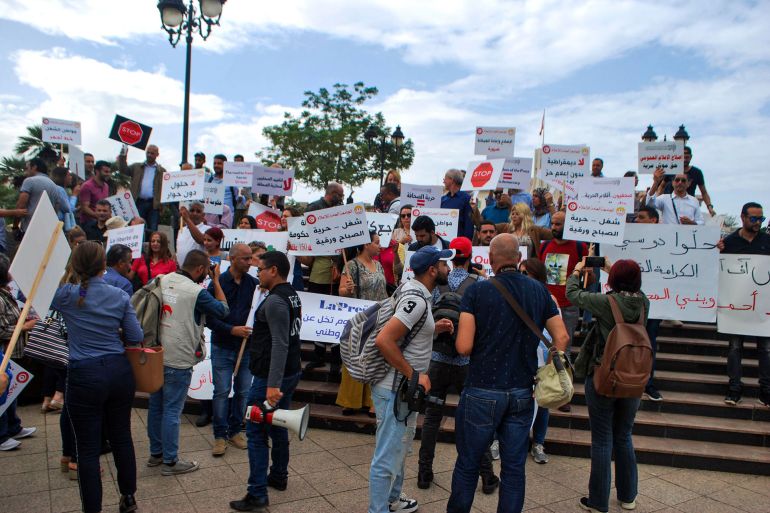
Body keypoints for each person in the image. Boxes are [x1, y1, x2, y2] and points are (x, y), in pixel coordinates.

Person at [447, 234, 567, 513]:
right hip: (523, 391)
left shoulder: (477, 292)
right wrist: (548, 371)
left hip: (481, 389)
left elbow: (463, 347)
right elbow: (561, 337)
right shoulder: (539, 291)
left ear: (490, 260)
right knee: (514, 469)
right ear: (519, 258)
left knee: (467, 464)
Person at [51, 241, 143, 513]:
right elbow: (136, 336)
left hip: (84, 373)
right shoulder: (119, 295)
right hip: (118, 371)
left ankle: (92, 508)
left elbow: (35, 296)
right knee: (121, 436)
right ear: (104, 265)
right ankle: (128, 496)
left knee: (87, 448)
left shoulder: (65, 294)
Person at [368, 245, 453, 513]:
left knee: (400, 448)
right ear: (432, 270)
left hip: (403, 389)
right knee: (386, 455)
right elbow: (385, 340)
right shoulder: (416, 300)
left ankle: (393, 500)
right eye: (444, 264)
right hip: (395, 388)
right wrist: (414, 374)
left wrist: (434, 329)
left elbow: (410, 333)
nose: (448, 268)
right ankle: (378, 510)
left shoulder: (416, 292)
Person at [567, 258, 648, 513]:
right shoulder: (643, 302)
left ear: (613, 280)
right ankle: (628, 496)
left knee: (602, 439)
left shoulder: (606, 302)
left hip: (604, 375)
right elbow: (631, 286)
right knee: (624, 435)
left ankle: (598, 501)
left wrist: (577, 271)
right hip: (633, 376)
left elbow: (573, 294)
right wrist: (613, 269)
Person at [417, 238, 499, 493]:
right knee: (474, 420)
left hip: (437, 360)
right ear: (471, 256)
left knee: (432, 418)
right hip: (466, 362)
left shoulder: (437, 284)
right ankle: (487, 476)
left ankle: (424, 473)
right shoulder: (479, 284)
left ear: (451, 258)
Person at [230, 251, 303, 512]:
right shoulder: (291, 294)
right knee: (277, 422)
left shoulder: (274, 301)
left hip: (270, 377)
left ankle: (257, 493)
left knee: (255, 430)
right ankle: (279, 475)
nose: (257, 273)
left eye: (260, 268)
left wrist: (272, 385)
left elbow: (280, 344)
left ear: (273, 270)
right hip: (289, 371)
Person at [147, 250, 229, 476]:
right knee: (172, 411)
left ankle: (156, 454)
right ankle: (170, 461)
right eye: (206, 271)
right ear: (201, 269)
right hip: (179, 358)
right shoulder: (196, 292)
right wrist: (216, 281)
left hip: (156, 353)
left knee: (156, 406)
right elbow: (223, 310)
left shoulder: (161, 279)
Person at [716, 202, 770, 406]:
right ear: (743, 218)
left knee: (766, 349)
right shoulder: (729, 242)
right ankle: (734, 388)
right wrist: (717, 251)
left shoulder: (767, 241)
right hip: (736, 306)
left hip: (763, 307)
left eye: (761, 219)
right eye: (754, 218)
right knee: (735, 348)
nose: (758, 223)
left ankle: (766, 390)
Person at [206, 243, 258, 456]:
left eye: (251, 258)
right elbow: (209, 319)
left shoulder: (254, 284)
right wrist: (231, 330)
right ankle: (219, 435)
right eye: (246, 258)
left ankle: (235, 431)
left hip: (246, 348)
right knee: (221, 391)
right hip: (223, 345)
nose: (250, 262)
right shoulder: (217, 284)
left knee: (243, 391)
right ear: (233, 259)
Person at [336, 231, 387, 416]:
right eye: (377, 242)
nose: (380, 246)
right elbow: (342, 291)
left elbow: (383, 291)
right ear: (366, 244)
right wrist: (347, 289)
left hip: (378, 317)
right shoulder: (351, 265)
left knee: (374, 359)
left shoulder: (379, 265)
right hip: (359, 319)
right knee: (354, 357)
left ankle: (372, 401)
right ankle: (350, 401)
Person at [518, 257, 560, 464]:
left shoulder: (549, 299)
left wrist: (551, 365)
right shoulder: (515, 296)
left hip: (542, 357)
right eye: (520, 272)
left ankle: (538, 443)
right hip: (519, 357)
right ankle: (500, 440)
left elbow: (558, 335)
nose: (521, 277)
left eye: (525, 273)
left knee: (542, 401)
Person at [303, 183, 344, 372]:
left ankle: (336, 358)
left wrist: (338, 265)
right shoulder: (313, 208)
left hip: (337, 267)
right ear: (332, 194)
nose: (342, 198)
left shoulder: (341, 212)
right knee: (319, 312)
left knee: (335, 313)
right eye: (340, 195)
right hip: (319, 267)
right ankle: (318, 355)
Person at [539, 211, 586, 373]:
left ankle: (564, 382)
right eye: (552, 223)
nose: (553, 227)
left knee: (565, 348)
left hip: (568, 306)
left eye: (558, 224)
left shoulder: (580, 247)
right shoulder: (544, 246)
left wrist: (587, 273)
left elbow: (589, 279)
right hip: (546, 304)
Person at [0, 254, 38, 451]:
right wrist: (25, 326)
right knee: (2, 391)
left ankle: (13, 426)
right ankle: (1, 434)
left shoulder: (5, 293)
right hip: (5, 351)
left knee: (11, 391)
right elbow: (1, 330)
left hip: (13, 351)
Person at [632, 206, 664, 401]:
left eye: (641, 217)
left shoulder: (668, 238)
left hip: (655, 302)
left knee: (649, 343)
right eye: (636, 217)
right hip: (629, 302)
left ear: (653, 220)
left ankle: (647, 383)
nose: (637, 221)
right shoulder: (629, 237)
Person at [14, 157, 71, 239]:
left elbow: (20, 206)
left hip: (29, 230)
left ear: (34, 167)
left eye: (27, 168)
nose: (25, 171)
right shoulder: (54, 185)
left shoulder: (29, 181)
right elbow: (56, 208)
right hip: (47, 230)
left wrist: (15, 226)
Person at [118, 144, 166, 232]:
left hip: (154, 205)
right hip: (138, 202)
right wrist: (123, 154)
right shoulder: (136, 167)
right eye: (148, 152)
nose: (149, 155)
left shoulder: (162, 171)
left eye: (152, 153)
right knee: (137, 228)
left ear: (157, 155)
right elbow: (123, 171)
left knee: (152, 229)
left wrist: (162, 206)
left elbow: (165, 190)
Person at [662, 146, 715, 216]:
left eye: (687, 157)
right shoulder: (672, 170)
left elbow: (704, 192)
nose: (684, 160)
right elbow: (661, 187)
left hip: (688, 206)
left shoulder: (697, 172)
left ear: (691, 157)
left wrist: (709, 207)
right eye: (682, 157)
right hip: (670, 207)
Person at [208, 154, 245, 224]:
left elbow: (240, 201)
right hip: (211, 220)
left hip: (227, 220)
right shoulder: (209, 180)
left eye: (219, 163)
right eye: (214, 163)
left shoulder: (232, 181)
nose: (216, 165)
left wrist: (241, 195)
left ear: (226, 165)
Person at [441, 169, 474, 240]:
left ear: (452, 180)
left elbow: (468, 223)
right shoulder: (442, 199)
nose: (443, 181)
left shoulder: (467, 199)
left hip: (459, 241)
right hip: (444, 240)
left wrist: (466, 241)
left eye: (445, 179)